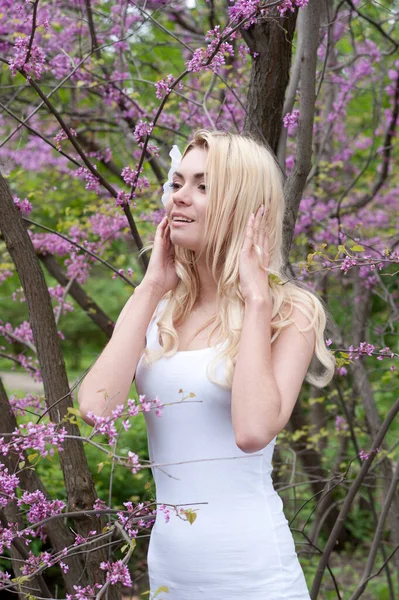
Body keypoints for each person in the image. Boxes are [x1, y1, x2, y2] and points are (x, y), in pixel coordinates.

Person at [78, 130, 335, 599]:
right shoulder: (160, 308)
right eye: (177, 183)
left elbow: (253, 431)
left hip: (253, 572)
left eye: (202, 186)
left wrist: (256, 299)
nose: (179, 197)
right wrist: (151, 286)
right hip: (171, 571)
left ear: (242, 206)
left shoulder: (288, 312)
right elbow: (96, 410)